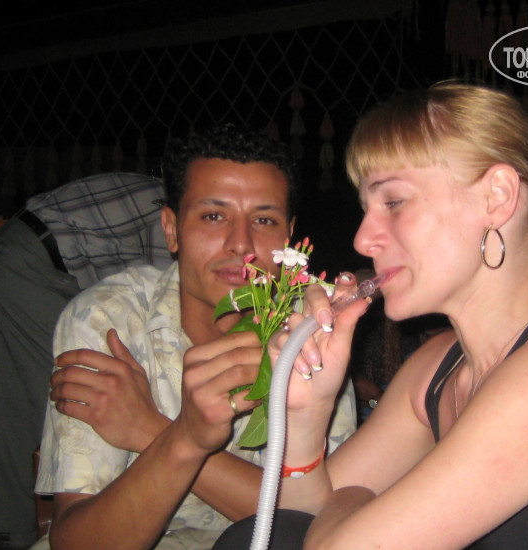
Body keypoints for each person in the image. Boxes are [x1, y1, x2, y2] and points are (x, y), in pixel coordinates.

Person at [215, 82, 528, 549]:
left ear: (496, 198)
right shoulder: (437, 366)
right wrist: (307, 416)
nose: (363, 240)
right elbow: (290, 526)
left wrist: (350, 498)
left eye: (393, 202)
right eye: (366, 208)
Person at [32, 124, 357, 550]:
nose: (240, 245)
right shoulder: (110, 319)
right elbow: (77, 543)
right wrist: (184, 437)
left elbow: (324, 524)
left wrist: (151, 429)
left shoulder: (312, 328)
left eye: (263, 220)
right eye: (213, 216)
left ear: (289, 238)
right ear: (171, 229)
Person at [0, 172, 171, 547]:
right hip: (30, 260)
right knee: (68, 395)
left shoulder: (164, 195)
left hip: (21, 252)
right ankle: (45, 527)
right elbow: (163, 303)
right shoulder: (172, 211)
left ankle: (26, 527)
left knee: (23, 398)